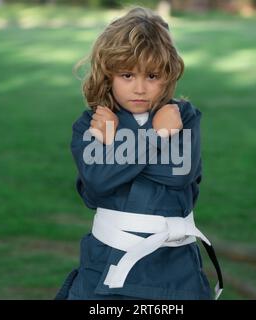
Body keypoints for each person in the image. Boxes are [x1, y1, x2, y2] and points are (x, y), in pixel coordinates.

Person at [55, 6, 223, 300]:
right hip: (107, 262)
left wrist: (116, 148)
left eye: (153, 76)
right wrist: (157, 136)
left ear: (168, 76)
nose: (141, 88)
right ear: (109, 75)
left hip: (174, 272)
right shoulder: (91, 122)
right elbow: (96, 184)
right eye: (128, 75)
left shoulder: (183, 116)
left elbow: (179, 173)